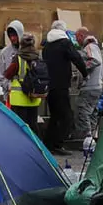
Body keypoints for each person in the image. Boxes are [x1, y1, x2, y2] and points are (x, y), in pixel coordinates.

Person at [42, 23, 88, 155]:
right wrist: (85, 73)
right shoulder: (64, 43)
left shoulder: (47, 45)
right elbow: (76, 58)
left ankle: (48, 143)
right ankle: (58, 144)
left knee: (55, 116)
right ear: (63, 30)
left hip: (49, 86)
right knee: (67, 116)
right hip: (61, 85)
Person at [4, 33, 43, 135]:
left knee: (19, 126)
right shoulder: (37, 57)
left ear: (21, 44)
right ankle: (38, 147)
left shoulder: (18, 58)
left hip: (19, 99)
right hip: (34, 98)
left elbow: (8, 74)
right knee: (33, 124)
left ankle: (20, 148)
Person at [73, 28, 103, 139]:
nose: (77, 41)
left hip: (90, 86)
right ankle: (93, 138)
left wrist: (83, 68)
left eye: (77, 38)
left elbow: (95, 61)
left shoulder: (89, 47)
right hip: (96, 85)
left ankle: (86, 138)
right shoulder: (94, 46)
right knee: (92, 113)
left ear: (81, 36)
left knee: (83, 112)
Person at [0, 19, 24, 90]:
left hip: (27, 95)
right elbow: (0, 77)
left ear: (20, 34)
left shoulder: (27, 52)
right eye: (10, 36)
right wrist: (8, 86)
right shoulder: (4, 53)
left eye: (15, 35)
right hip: (10, 95)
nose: (12, 38)